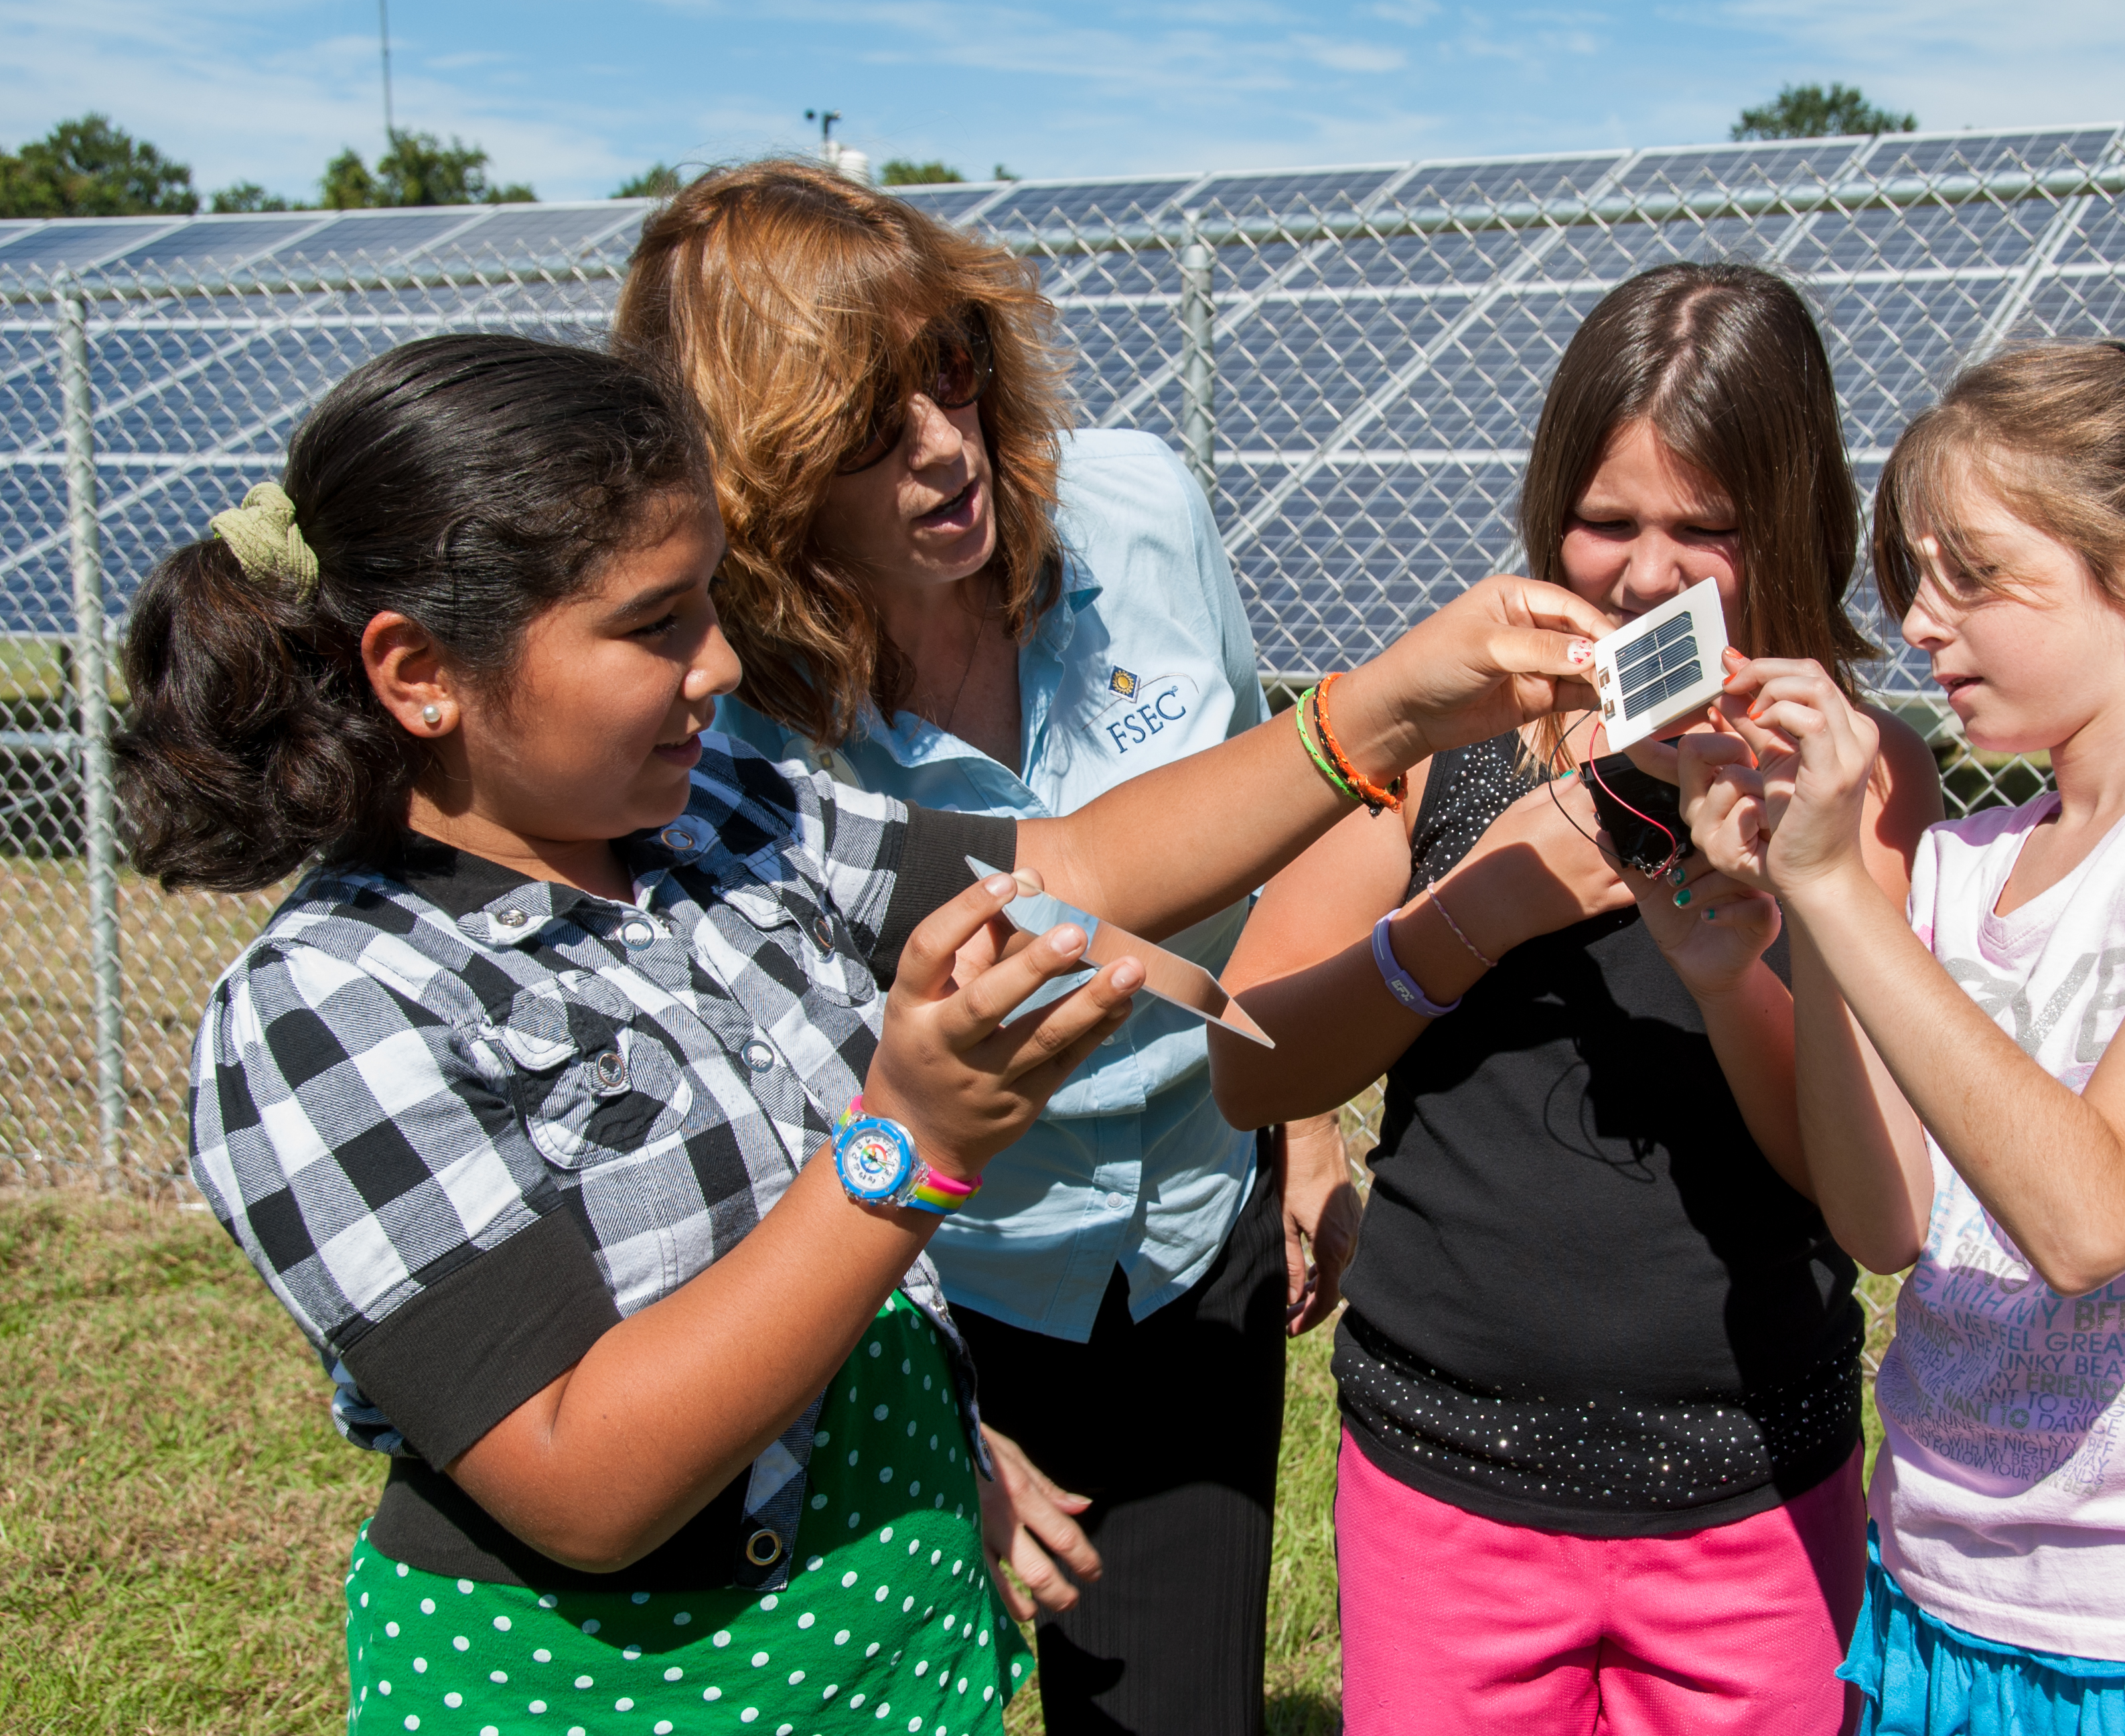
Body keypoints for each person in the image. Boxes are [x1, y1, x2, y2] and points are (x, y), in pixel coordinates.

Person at [119, 335, 1607, 1733]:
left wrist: (1380, 715)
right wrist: (915, 1145)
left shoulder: (715, 823)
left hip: (888, 1645)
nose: (715, 667)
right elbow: (581, 1477)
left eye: (705, 602)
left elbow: (1068, 872)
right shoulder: (329, 1013)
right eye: (653, 627)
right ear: (418, 673)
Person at [613, 158, 1353, 1734]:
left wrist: (1296, 1120)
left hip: (1187, 1232)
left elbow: (1262, 811)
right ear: (759, 468)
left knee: (1173, 1707)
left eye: (950, 372)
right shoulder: (716, 710)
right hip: (920, 1282)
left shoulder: (1145, 508)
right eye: (868, 427)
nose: (947, 448)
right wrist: (931, 1406)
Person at [1211, 262, 1945, 1735]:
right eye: (1608, 520)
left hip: (1753, 1486)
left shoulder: (1868, 780)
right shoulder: (1440, 741)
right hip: (1445, 1478)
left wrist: (1755, 938)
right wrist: (1480, 904)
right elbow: (1250, 1061)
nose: (1649, 572)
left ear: (1789, 519)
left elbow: (1858, 1195)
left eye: (1706, 531)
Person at [1674, 341, 2125, 1732]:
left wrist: (1844, 894)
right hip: (1939, 1600)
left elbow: (2089, 1215)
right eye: (1911, 576)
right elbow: (1883, 1219)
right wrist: (1792, 916)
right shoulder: (1960, 867)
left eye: (1975, 574)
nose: (1921, 628)